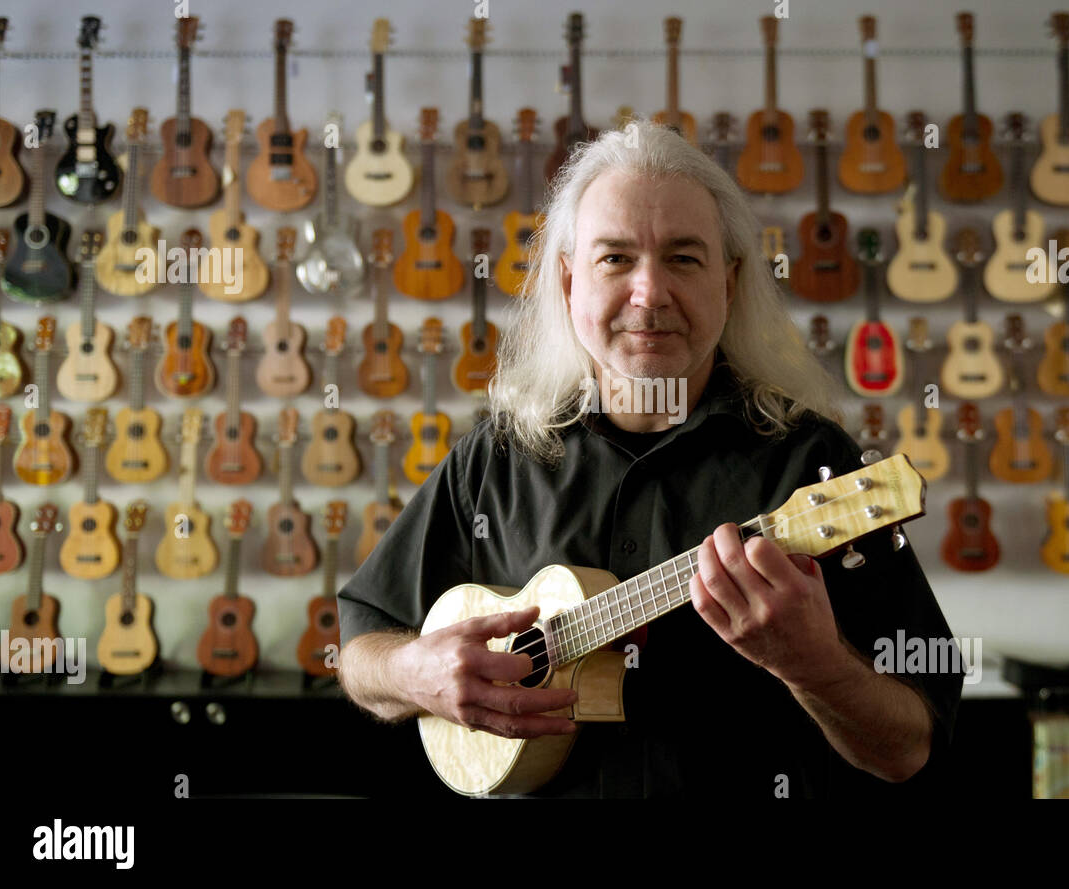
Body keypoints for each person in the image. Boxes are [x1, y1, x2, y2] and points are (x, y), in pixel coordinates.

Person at [337, 119, 963, 798]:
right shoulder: (495, 458)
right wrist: (415, 673)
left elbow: (909, 747)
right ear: (570, 281)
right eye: (616, 259)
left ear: (730, 281)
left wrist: (815, 665)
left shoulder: (816, 465)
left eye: (683, 258)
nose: (649, 293)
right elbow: (361, 643)